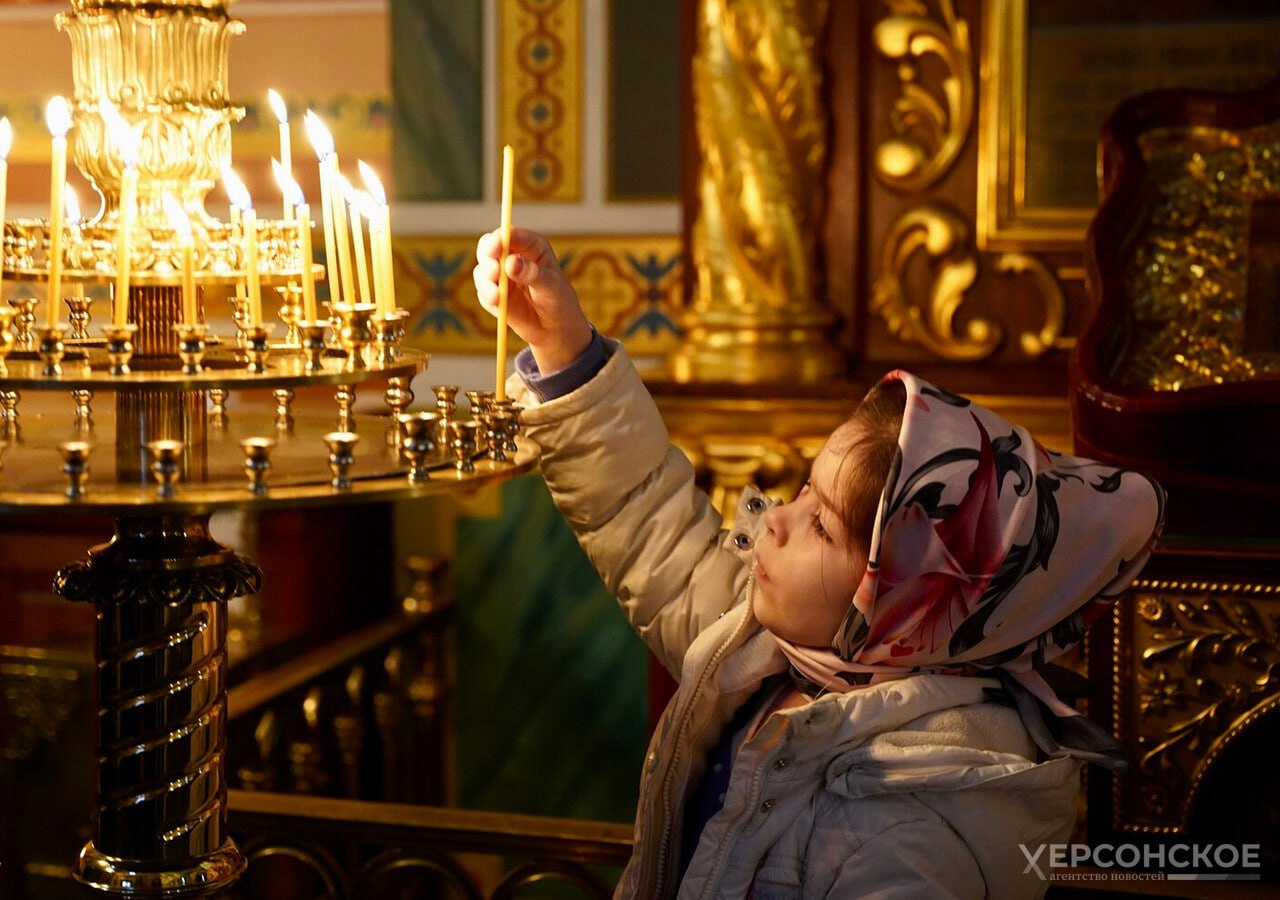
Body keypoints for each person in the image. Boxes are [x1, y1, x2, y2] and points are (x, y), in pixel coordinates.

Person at [473, 226, 1165, 899]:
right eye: (803, 489)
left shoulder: (909, 831)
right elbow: (652, 526)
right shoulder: (786, 651)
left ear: (904, 601)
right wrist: (561, 347)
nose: (774, 519)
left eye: (822, 527)